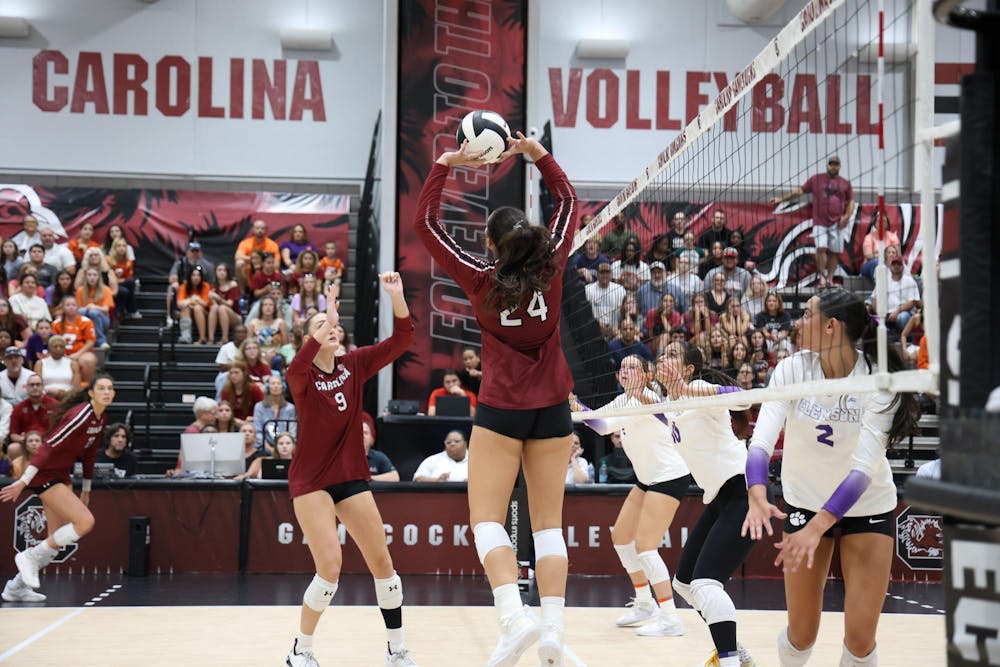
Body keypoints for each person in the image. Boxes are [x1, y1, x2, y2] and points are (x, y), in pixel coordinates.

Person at [414, 132, 578, 666]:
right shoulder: (552, 261)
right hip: (552, 407)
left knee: (486, 518)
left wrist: (446, 162)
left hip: (503, 409)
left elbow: (426, 226)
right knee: (548, 525)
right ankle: (552, 630)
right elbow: (570, 201)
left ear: (491, 246)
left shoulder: (482, 279)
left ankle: (514, 620)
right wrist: (534, 154)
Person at [742, 288, 919, 667]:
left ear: (831, 327)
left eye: (806, 315)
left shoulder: (876, 380)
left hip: (866, 505)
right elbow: (760, 441)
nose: (798, 322)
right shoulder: (792, 368)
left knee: (859, 639)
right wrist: (756, 491)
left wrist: (818, 527)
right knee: (801, 635)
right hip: (805, 501)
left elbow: (863, 471)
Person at [284, 274, 418, 667]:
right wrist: (323, 317)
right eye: (321, 326)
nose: (331, 329)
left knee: (384, 565)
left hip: (349, 475)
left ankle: (397, 651)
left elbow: (402, 340)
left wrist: (397, 297)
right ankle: (300, 651)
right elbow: (297, 364)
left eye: (335, 324)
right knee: (329, 568)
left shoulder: (354, 364)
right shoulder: (301, 376)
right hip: (310, 481)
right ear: (309, 338)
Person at [652, 342, 757, 667]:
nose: (662, 358)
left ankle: (728, 662)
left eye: (672, 354)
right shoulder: (671, 405)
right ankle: (734, 650)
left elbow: (743, 397)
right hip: (717, 499)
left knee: (704, 583)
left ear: (687, 369)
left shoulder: (697, 389)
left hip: (742, 492)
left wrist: (692, 389)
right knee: (684, 584)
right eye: (662, 353)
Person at [572, 355, 691, 638]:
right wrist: (572, 405)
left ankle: (671, 619)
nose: (626, 371)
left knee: (646, 547)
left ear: (647, 375)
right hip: (647, 479)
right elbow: (595, 417)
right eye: (622, 368)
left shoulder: (643, 399)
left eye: (633, 367)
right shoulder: (624, 400)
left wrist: (573, 402)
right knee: (621, 538)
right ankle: (644, 603)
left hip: (669, 477)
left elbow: (601, 426)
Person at [0, 373, 115, 601]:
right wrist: (23, 480)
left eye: (110, 388)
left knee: (55, 540)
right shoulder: (81, 415)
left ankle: (15, 588)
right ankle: (29, 557)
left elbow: (89, 455)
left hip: (61, 475)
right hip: (44, 474)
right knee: (85, 522)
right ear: (91, 392)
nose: (107, 392)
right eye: (101, 388)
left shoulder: (100, 419)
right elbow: (48, 446)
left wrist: (87, 490)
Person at [770, 156, 855, 287]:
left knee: (835, 252)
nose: (833, 166)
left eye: (836, 164)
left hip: (838, 223)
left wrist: (847, 216)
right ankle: (822, 277)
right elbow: (799, 191)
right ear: (827, 165)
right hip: (820, 222)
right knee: (821, 248)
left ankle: (830, 278)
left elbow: (851, 202)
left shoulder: (845, 183)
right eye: (831, 164)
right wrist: (782, 199)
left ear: (839, 166)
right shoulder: (816, 179)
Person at [253, 374, 297, 452]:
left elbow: (292, 432)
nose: (275, 386)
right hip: (265, 447)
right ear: (267, 387)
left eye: (278, 383)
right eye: (273, 384)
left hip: (285, 446)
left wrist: (285, 446)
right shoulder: (259, 407)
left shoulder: (290, 408)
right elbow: (257, 431)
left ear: (283, 386)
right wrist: (268, 448)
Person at [235, 219, 280, 290]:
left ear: (265, 230)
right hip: (249, 270)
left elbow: (276, 264)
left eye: (262, 228)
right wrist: (254, 260)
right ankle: (243, 292)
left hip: (266, 270)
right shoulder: (245, 243)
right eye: (257, 228)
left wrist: (261, 263)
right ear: (253, 229)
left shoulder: (272, 245)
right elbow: (237, 256)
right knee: (239, 263)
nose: (260, 230)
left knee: (275, 270)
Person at [75, 267, 114, 349]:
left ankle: (101, 341)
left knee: (93, 312)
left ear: (98, 277)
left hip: (102, 320)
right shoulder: (80, 290)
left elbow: (106, 309)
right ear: (85, 277)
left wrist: (94, 306)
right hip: (86, 316)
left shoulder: (106, 289)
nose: (92, 277)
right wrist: (87, 308)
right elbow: (77, 309)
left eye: (95, 275)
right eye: (89, 275)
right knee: (81, 311)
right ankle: (81, 339)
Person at [586, 262, 627, 338]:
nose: (605, 275)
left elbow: (623, 312)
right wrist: (598, 325)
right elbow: (586, 313)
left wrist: (615, 329)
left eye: (607, 272)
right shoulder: (588, 289)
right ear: (597, 274)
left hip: (615, 330)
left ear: (611, 274)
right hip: (594, 329)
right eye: (602, 272)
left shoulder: (620, 289)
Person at [859, 210, 900, 281]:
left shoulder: (893, 237)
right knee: (876, 262)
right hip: (870, 265)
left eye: (884, 221)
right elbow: (868, 255)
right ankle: (878, 286)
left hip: (889, 264)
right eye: (878, 221)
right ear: (875, 223)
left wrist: (877, 254)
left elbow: (898, 254)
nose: (881, 223)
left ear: (887, 223)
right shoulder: (869, 237)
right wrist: (885, 255)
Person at [34, 335, 79, 399]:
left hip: (68, 397)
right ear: (49, 348)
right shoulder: (40, 363)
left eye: (61, 346)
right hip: (46, 396)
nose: (58, 349)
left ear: (65, 348)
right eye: (55, 346)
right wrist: (49, 392)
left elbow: (76, 388)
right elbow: (37, 384)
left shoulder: (73, 364)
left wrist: (62, 394)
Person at [53, 296, 97, 361]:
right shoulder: (56, 323)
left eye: (73, 305)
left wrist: (78, 354)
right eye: (67, 305)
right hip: (60, 353)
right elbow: (53, 342)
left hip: (81, 353)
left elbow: (90, 342)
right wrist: (61, 354)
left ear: (78, 307)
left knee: (88, 360)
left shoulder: (86, 322)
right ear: (63, 308)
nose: (71, 307)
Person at [176, 266, 211, 345]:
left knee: (197, 308)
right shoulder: (184, 286)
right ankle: (186, 336)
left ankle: (202, 338)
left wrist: (189, 301)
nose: (196, 277)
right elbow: (179, 304)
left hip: (204, 314)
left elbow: (205, 304)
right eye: (193, 275)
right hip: (188, 313)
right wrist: (194, 300)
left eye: (198, 275)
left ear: (201, 277)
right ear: (189, 276)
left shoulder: (206, 286)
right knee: (185, 308)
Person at [208, 263, 242, 344]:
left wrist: (218, 298)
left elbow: (230, 304)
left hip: (235, 316)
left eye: (224, 270)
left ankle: (225, 338)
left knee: (222, 308)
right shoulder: (214, 287)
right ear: (215, 272)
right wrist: (212, 299)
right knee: (214, 307)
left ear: (227, 273)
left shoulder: (232, 284)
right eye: (219, 270)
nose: (222, 272)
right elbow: (213, 305)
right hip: (219, 315)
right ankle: (211, 338)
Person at [362, 412, 399, 482]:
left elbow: (395, 477)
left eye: (366, 433)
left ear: (371, 438)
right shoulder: (348, 458)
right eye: (360, 433)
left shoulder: (379, 457)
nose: (363, 436)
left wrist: (370, 478)